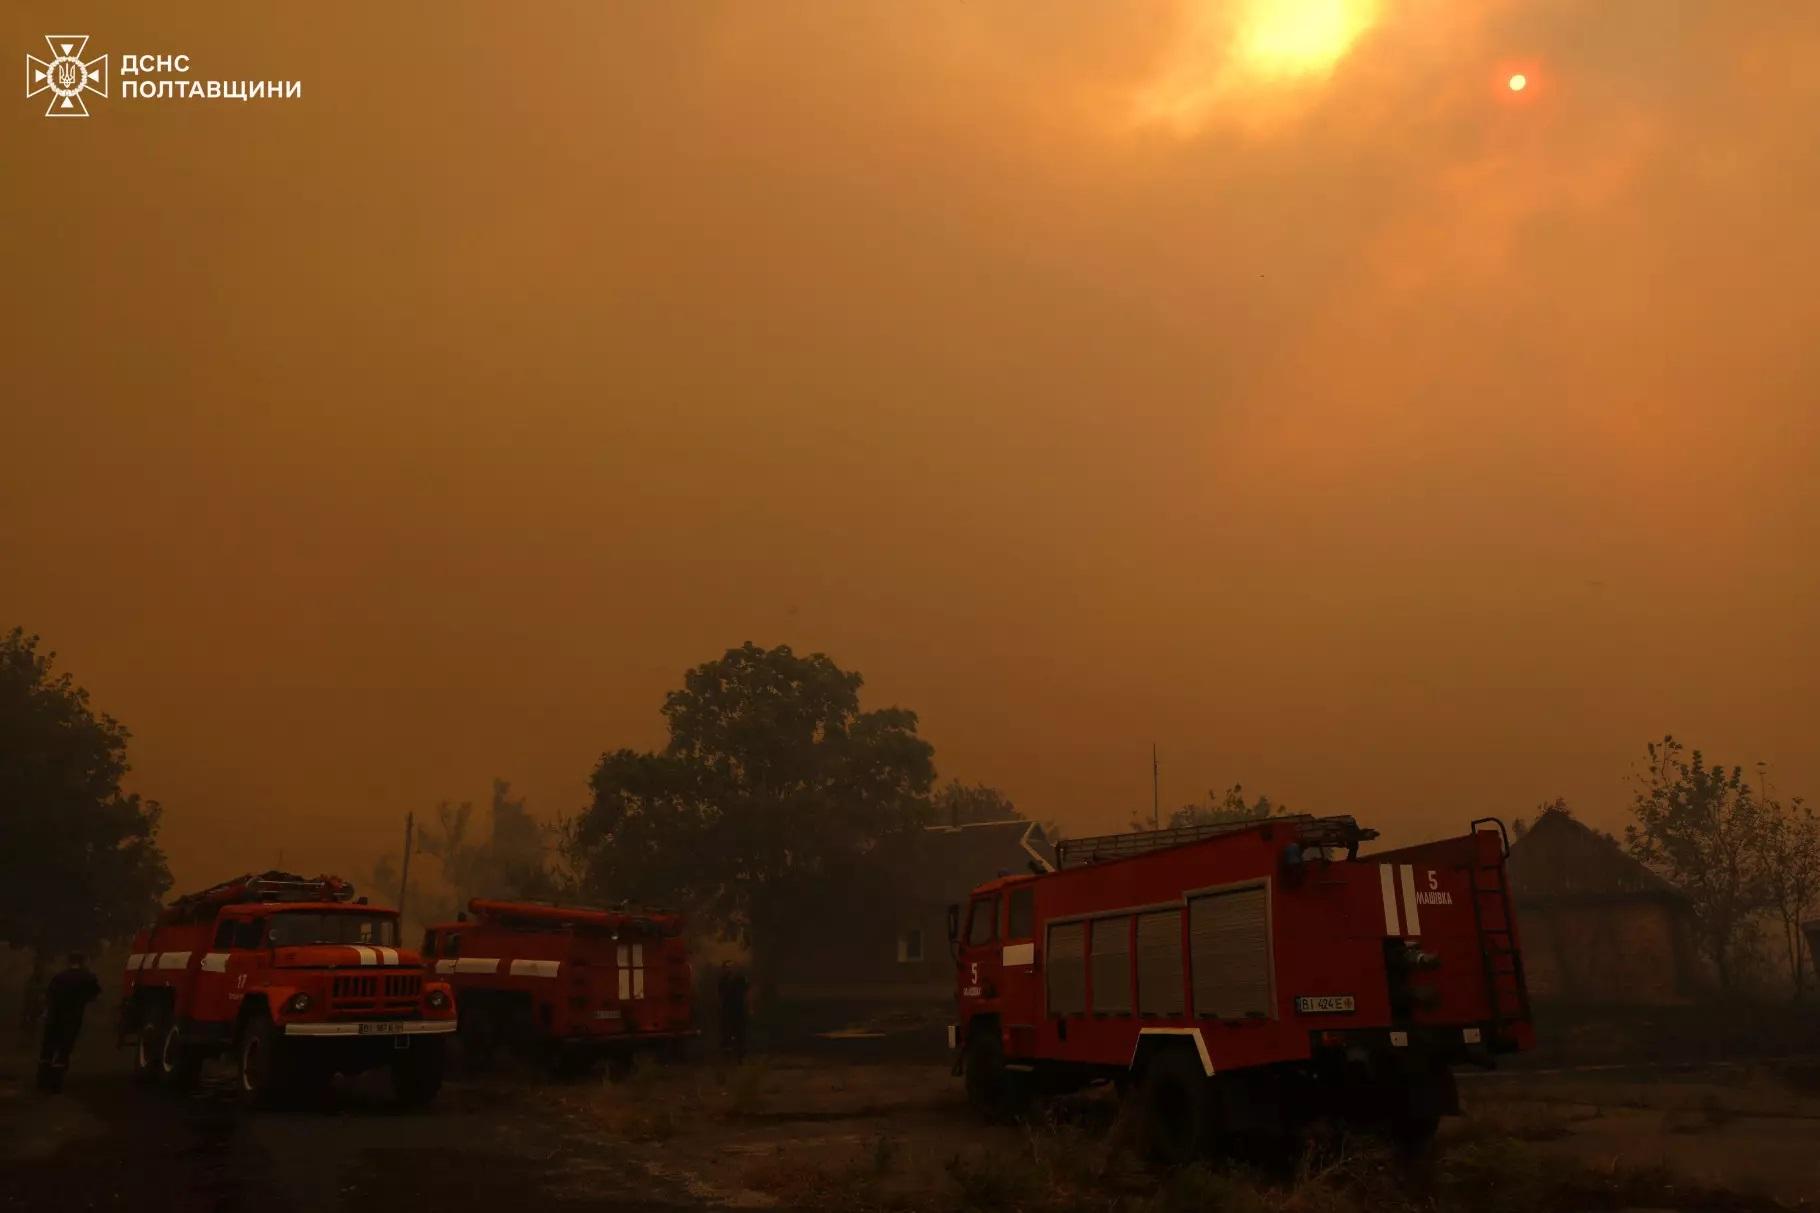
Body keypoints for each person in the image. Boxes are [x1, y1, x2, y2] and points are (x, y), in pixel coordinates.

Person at [37, 953, 101, 1093]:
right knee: (64, 1049)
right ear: (83, 961)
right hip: (72, 1017)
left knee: (48, 1046)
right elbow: (94, 994)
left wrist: (46, 1012)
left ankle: (42, 1081)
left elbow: (49, 995)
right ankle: (55, 1083)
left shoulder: (59, 977)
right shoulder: (88, 977)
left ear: (68, 961)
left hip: (54, 1017)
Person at [716, 961, 749, 1062]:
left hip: (738, 1009)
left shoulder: (740, 979)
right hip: (728, 1010)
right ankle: (728, 1055)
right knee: (727, 1033)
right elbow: (720, 995)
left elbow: (747, 992)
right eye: (726, 968)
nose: (729, 970)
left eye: (730, 967)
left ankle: (740, 1055)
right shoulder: (723, 981)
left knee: (739, 1033)